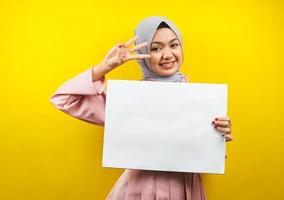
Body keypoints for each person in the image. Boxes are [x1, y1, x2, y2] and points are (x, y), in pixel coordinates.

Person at [50, 16, 233, 200]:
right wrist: (105, 66)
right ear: (145, 53)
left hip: (186, 189)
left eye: (174, 45)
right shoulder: (127, 100)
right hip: (139, 191)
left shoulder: (201, 99)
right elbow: (64, 98)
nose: (167, 55)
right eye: (156, 48)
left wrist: (218, 137)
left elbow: (207, 156)